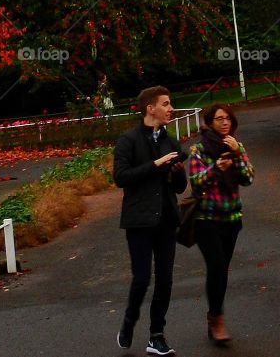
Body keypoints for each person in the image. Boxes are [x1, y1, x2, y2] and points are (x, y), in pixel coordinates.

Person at [113, 86, 187, 356]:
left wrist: (177, 171)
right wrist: (156, 165)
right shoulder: (128, 140)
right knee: (142, 278)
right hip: (139, 221)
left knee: (165, 279)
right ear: (150, 109)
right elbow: (121, 177)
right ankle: (129, 322)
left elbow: (179, 188)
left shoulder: (171, 142)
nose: (171, 109)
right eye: (166, 104)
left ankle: (157, 335)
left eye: (171, 104)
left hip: (166, 220)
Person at [187, 103, 255, 347]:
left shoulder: (236, 146)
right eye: (219, 119)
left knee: (221, 270)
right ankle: (217, 319)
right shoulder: (200, 149)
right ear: (210, 123)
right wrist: (215, 168)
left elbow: (248, 178)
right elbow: (196, 182)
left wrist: (237, 156)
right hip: (207, 219)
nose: (225, 123)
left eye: (227, 118)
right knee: (215, 265)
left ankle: (213, 315)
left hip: (231, 218)